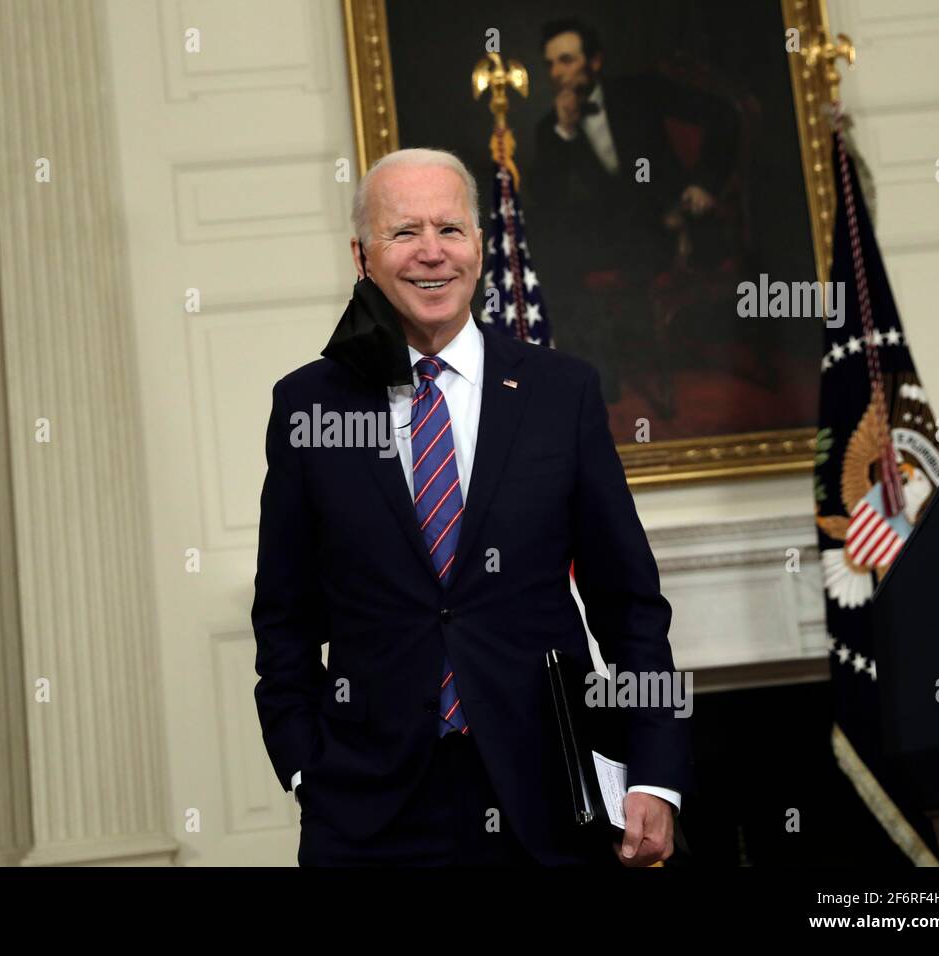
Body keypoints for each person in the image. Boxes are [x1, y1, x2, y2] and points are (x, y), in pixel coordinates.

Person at [251, 148, 692, 866]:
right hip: (369, 812)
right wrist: (306, 767)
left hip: (550, 800)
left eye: (450, 230)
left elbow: (630, 605)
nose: (432, 253)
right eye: (405, 233)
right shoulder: (308, 405)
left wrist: (655, 774)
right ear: (362, 255)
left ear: (481, 249)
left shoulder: (561, 394)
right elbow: (285, 620)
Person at [528, 17, 736, 409]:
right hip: (616, 235)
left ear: (594, 62)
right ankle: (595, 380)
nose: (557, 73)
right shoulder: (550, 129)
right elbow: (547, 204)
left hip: (673, 221)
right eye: (551, 64)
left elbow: (723, 115)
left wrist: (705, 183)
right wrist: (566, 132)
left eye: (567, 60)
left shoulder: (642, 91)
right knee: (550, 248)